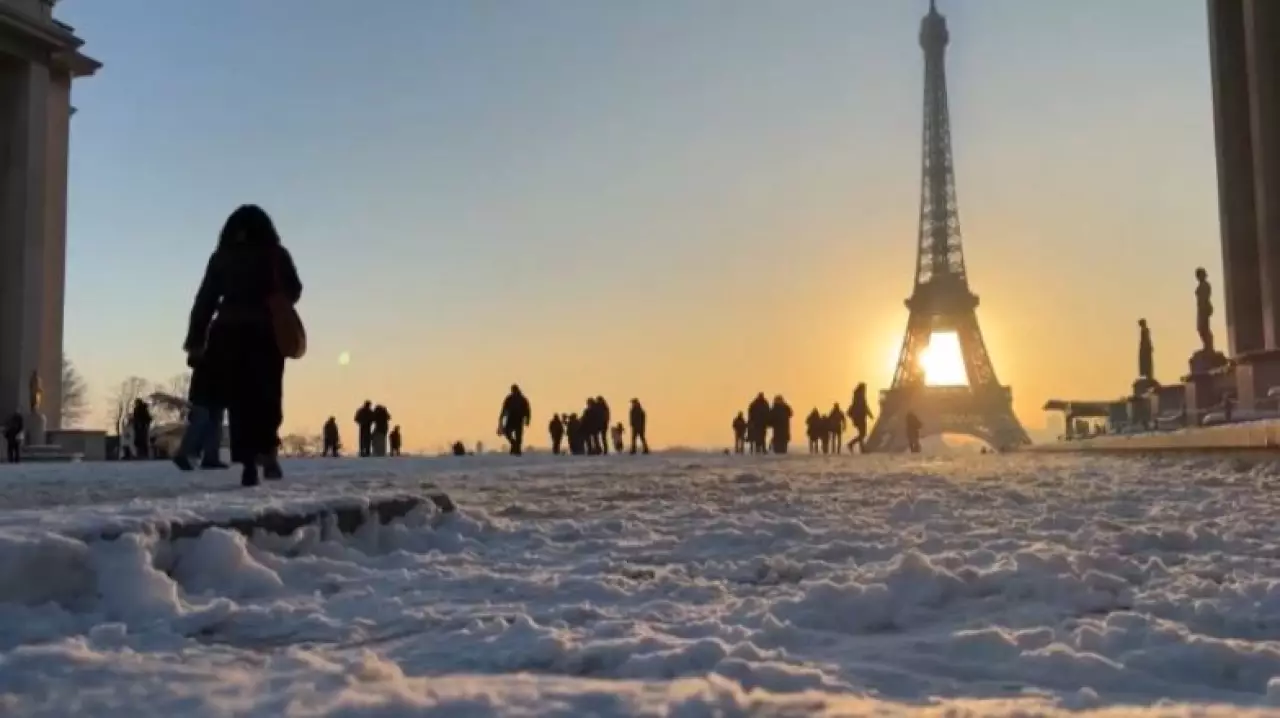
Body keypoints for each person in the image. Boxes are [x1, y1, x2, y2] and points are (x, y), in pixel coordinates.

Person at [184, 204, 302, 487]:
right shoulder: (276, 254)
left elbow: (205, 301)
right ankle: (269, 452)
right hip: (266, 332)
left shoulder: (222, 257)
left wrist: (196, 340)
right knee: (267, 395)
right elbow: (295, 290)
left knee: (238, 401)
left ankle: (248, 463)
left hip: (228, 333)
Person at [173, 350, 228, 471]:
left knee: (215, 421)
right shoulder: (203, 335)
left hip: (217, 386)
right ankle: (183, 454)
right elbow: (192, 360)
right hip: (203, 386)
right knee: (201, 418)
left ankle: (211, 457)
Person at [498, 384, 531, 455]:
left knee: (518, 435)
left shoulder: (522, 399)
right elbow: (504, 409)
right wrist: (501, 417)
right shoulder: (510, 398)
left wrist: (527, 419)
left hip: (518, 418)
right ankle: (515, 445)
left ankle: (517, 449)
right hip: (512, 418)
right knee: (507, 432)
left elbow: (527, 410)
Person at [847, 383, 873, 453]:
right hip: (860, 417)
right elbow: (864, 406)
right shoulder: (860, 397)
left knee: (862, 433)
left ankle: (861, 448)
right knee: (863, 434)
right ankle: (851, 444)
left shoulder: (857, 396)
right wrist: (869, 414)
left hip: (857, 417)